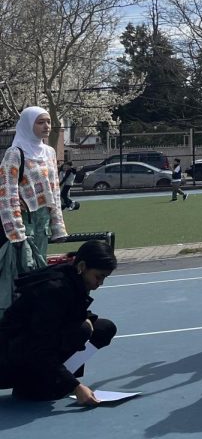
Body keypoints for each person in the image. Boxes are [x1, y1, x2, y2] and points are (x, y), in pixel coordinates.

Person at [0, 240, 117, 405]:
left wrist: (88, 319)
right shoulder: (54, 289)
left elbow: (73, 314)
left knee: (104, 329)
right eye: (98, 277)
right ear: (82, 266)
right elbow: (38, 346)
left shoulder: (73, 278)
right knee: (81, 330)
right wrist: (74, 386)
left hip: (29, 348)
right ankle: (31, 383)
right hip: (11, 359)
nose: (100, 283)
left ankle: (54, 379)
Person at [0, 107, 67, 316]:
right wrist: (16, 230)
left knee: (40, 270)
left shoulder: (49, 152)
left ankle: (36, 315)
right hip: (24, 221)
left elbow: (54, 190)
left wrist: (58, 227)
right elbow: (7, 192)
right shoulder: (15, 153)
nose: (46, 126)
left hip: (42, 222)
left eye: (48, 122)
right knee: (24, 269)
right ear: (28, 124)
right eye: (40, 122)